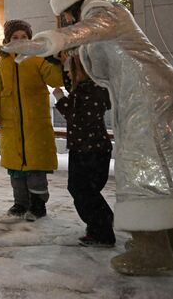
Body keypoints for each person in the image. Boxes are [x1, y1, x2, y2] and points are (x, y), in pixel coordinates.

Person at [3, 0, 173, 275]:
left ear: (70, 11)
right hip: (146, 99)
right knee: (158, 173)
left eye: (65, 18)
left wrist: (41, 43)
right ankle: (167, 248)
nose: (68, 23)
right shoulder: (103, 23)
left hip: (150, 101)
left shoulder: (105, 13)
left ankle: (152, 251)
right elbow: (92, 56)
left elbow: (83, 32)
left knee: (140, 173)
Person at [0, 19, 64, 222]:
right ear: (7, 40)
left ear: (30, 39)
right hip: (12, 127)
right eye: (15, 37)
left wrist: (54, 61)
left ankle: (38, 205)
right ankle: (20, 203)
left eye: (24, 37)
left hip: (35, 126)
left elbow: (56, 80)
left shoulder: (37, 60)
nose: (20, 40)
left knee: (35, 170)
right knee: (16, 173)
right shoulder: (2, 64)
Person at [53, 54, 115, 247]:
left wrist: (60, 98)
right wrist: (61, 62)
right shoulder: (92, 88)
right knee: (88, 189)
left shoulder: (89, 92)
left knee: (82, 190)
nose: (69, 77)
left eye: (72, 72)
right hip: (94, 148)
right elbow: (74, 88)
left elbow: (76, 116)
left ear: (86, 71)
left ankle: (102, 230)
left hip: (87, 149)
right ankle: (100, 224)